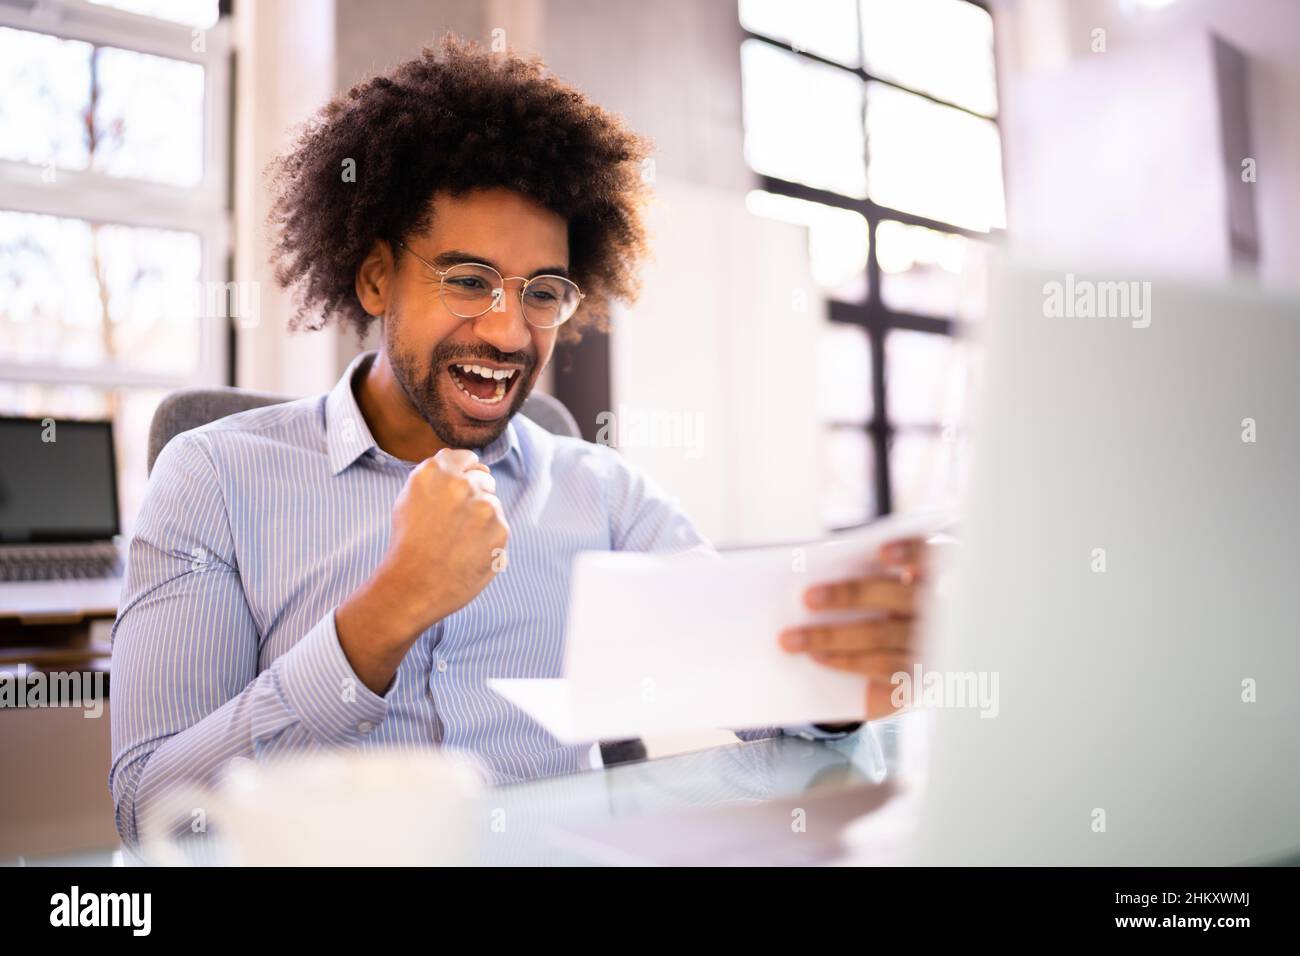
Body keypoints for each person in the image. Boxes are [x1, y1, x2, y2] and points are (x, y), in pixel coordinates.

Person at [109, 36, 926, 845]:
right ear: (375, 277)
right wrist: (386, 613)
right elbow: (152, 806)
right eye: (467, 281)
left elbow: (758, 681)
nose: (507, 330)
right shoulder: (214, 476)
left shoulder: (603, 495)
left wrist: (833, 666)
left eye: (542, 292)